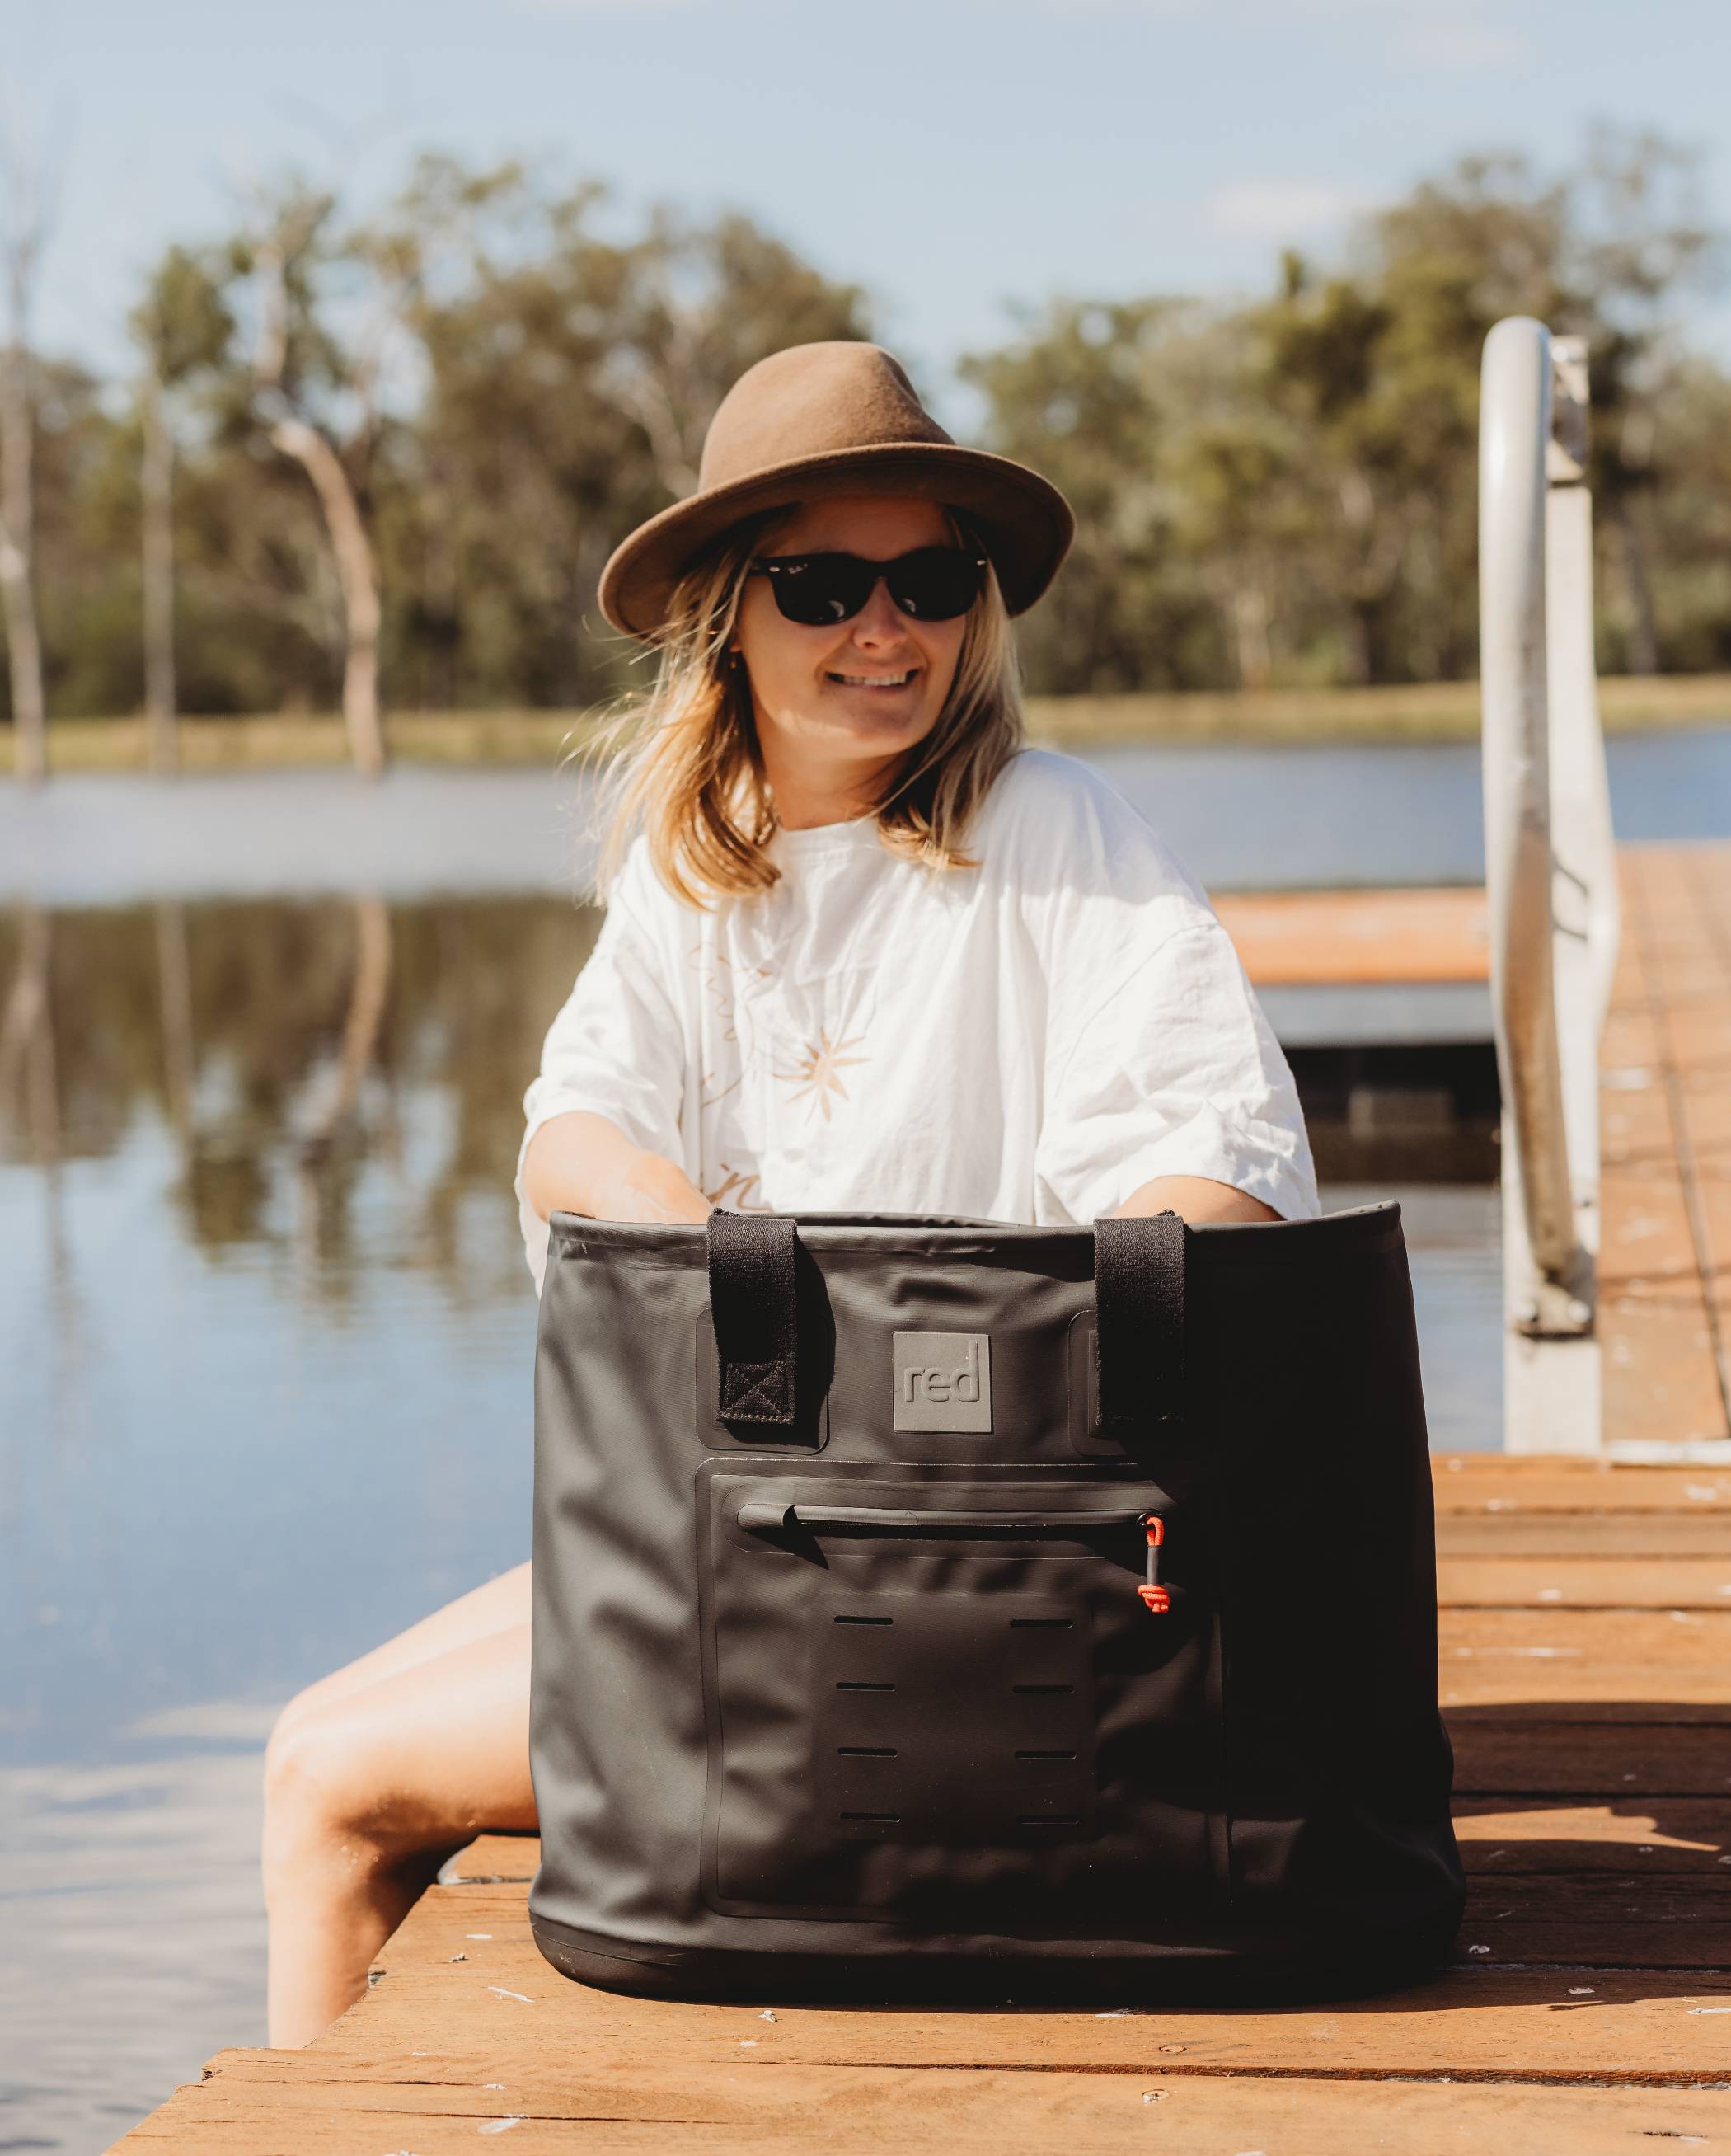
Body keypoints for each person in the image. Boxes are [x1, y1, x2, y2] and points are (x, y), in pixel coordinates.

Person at [260, 341, 1319, 2047]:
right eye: (825, 586)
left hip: (975, 1583)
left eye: (930, 582)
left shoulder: (1053, 829)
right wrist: (724, 1253)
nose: (884, 629)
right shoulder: (699, 868)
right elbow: (570, 1131)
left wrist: (993, 1385)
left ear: (978, 610)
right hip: (764, 1533)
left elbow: (1219, 1159)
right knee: (310, 1732)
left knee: (324, 1786)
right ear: (726, 621)